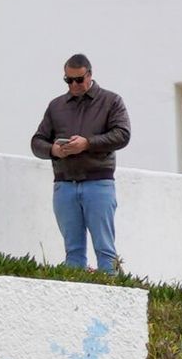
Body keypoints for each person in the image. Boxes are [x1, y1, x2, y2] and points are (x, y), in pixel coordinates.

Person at [30, 55, 131, 272]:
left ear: (90, 74)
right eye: (68, 80)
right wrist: (53, 150)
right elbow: (37, 141)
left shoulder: (111, 101)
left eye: (78, 79)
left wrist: (87, 144)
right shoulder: (56, 106)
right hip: (65, 184)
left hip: (98, 182)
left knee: (105, 249)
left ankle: (110, 296)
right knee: (73, 252)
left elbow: (122, 135)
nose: (74, 85)